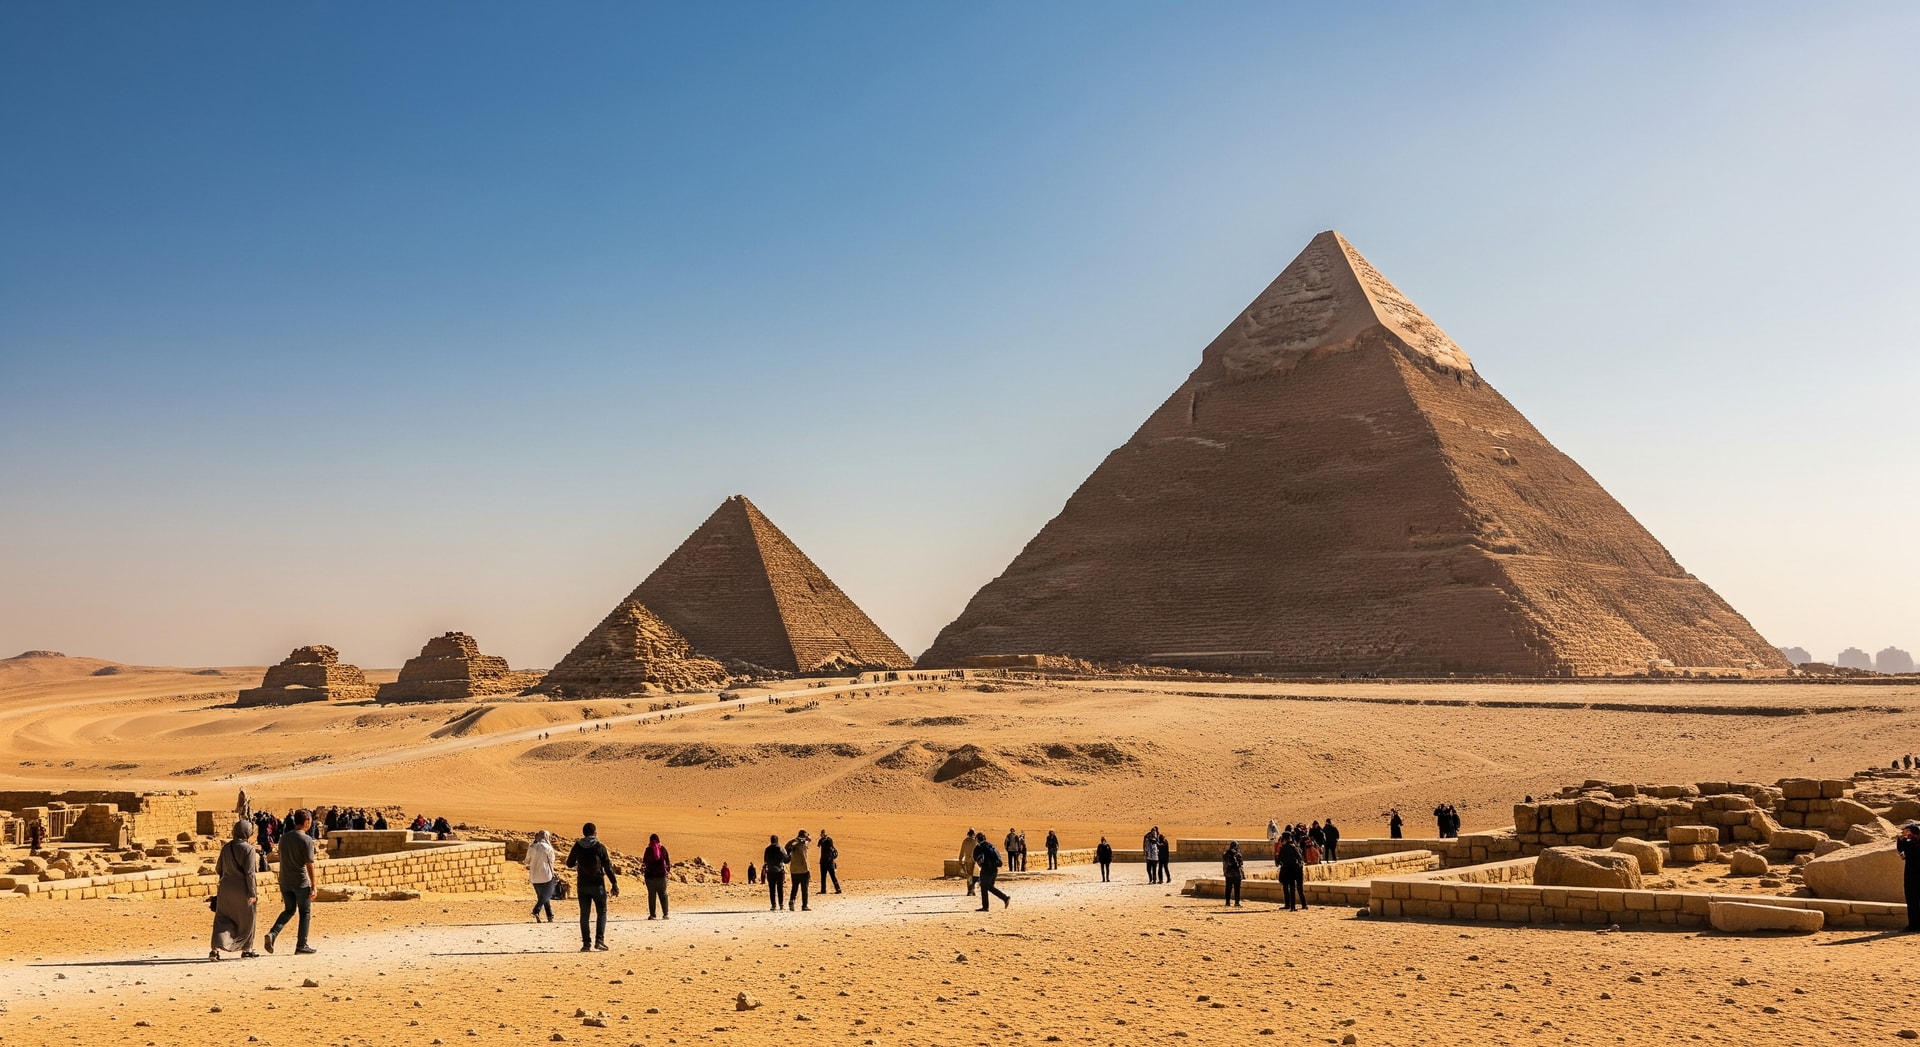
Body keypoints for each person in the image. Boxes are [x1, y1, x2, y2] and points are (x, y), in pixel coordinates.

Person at [264, 809, 317, 955]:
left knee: (289, 910)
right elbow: (309, 864)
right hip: (300, 882)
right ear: (307, 822)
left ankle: (273, 933)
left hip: (285, 881)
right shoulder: (306, 840)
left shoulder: (284, 838)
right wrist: (314, 886)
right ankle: (301, 945)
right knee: (305, 912)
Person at [210, 819, 260, 960]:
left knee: (222, 919)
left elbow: (218, 868)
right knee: (247, 920)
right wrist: (252, 893)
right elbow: (250, 873)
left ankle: (214, 950)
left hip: (225, 889)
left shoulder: (226, 847)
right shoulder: (249, 849)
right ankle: (247, 949)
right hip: (242, 890)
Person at [565, 822, 618, 951]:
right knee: (602, 912)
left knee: (584, 915)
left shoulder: (578, 846)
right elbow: (608, 867)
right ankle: (599, 940)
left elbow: (569, 863)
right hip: (597, 884)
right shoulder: (599, 847)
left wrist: (580, 861)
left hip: (582, 885)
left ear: (583, 833)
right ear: (595, 832)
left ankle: (586, 944)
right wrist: (614, 883)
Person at [527, 829, 557, 923]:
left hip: (534, 875)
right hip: (546, 874)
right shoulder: (548, 848)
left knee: (542, 896)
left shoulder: (532, 847)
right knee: (548, 894)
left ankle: (550, 915)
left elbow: (527, 861)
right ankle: (536, 910)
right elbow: (551, 861)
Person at [974, 832, 1009, 911]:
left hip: (986, 869)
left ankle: (985, 907)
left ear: (978, 839)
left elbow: (979, 859)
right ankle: (1005, 898)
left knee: (984, 887)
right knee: (990, 887)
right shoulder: (990, 846)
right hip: (994, 870)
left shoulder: (980, 847)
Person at [642, 832, 671, 920]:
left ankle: (652, 915)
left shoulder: (648, 850)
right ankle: (665, 914)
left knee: (652, 895)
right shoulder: (663, 849)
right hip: (661, 877)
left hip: (650, 877)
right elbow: (668, 862)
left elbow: (644, 863)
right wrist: (666, 872)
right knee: (663, 894)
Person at [785, 830, 814, 912]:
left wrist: (795, 840)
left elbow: (787, 847)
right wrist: (807, 837)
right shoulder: (804, 843)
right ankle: (804, 905)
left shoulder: (793, 843)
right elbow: (809, 840)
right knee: (804, 889)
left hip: (794, 869)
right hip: (804, 869)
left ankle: (792, 901)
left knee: (794, 887)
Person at [1899, 822, 1920, 932]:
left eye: (1907, 831)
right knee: (1912, 900)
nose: (1905, 833)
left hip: (1914, 874)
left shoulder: (1913, 843)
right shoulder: (1907, 842)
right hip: (1911, 875)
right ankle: (1913, 924)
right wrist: (1902, 839)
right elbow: (1901, 852)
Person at [1276, 833, 1306, 911]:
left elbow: (1279, 860)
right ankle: (1302, 905)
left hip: (1287, 869)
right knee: (1297, 887)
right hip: (1295, 869)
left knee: (1289, 887)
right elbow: (1299, 857)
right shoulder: (1295, 846)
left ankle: (1289, 905)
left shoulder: (1284, 848)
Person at [762, 835, 788, 911]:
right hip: (779, 871)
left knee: (772, 889)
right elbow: (786, 860)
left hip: (770, 871)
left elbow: (765, 860)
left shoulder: (767, 849)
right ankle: (781, 905)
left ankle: (773, 905)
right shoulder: (781, 849)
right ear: (777, 840)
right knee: (780, 888)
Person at [817, 829, 841, 894]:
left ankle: (838, 889)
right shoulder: (821, 840)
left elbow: (830, 846)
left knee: (833, 876)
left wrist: (824, 839)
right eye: (821, 833)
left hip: (829, 861)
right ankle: (823, 890)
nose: (822, 835)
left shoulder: (829, 840)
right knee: (823, 877)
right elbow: (818, 845)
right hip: (823, 861)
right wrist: (821, 840)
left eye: (823, 833)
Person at [959, 830, 979, 896]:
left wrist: (960, 860)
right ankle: (972, 889)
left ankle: (970, 890)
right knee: (975, 876)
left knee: (969, 876)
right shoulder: (975, 842)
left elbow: (962, 851)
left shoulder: (965, 841)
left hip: (967, 860)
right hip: (975, 861)